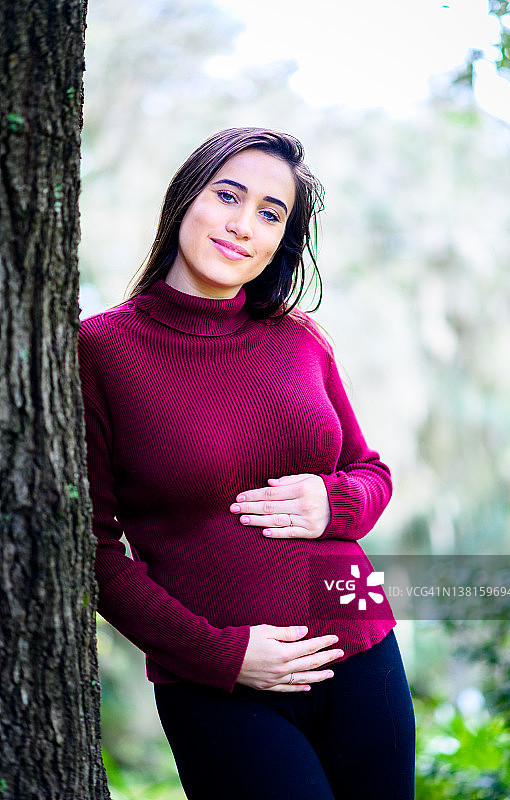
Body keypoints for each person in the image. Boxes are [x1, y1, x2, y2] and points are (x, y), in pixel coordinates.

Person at [78, 127, 416, 800]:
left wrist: (334, 503)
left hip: (364, 653)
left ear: (281, 239)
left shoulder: (298, 338)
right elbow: (91, 550)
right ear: (185, 199)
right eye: (228, 196)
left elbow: (371, 473)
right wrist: (221, 655)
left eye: (270, 213)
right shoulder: (101, 349)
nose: (242, 226)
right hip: (220, 686)